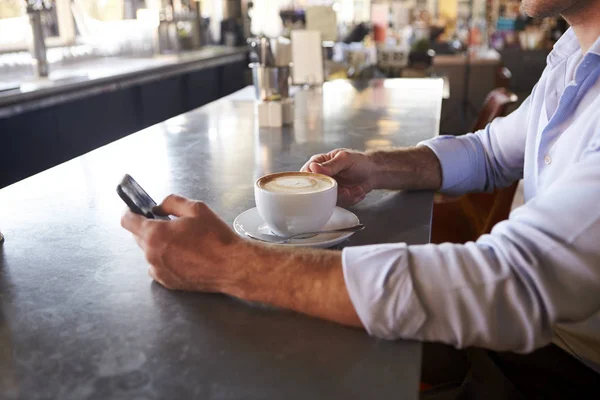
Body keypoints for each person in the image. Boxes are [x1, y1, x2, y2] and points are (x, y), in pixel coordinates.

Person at [121, 0, 600, 397]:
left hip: (558, 368)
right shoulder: (574, 53)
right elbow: (490, 151)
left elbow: (510, 282)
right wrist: (377, 167)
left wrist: (227, 264)